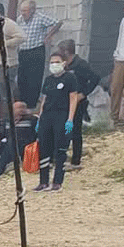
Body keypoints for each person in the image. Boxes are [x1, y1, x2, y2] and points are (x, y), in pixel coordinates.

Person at [33, 50, 81, 192]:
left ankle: (57, 182)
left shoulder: (70, 78)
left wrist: (70, 119)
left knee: (60, 149)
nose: (54, 65)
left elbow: (73, 99)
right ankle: (43, 181)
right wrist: (39, 118)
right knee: (44, 148)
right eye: (52, 62)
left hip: (61, 115)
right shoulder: (48, 80)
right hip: (47, 115)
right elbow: (44, 99)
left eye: (57, 62)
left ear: (64, 63)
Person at [57, 39, 100, 170]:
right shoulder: (64, 65)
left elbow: (95, 78)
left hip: (78, 102)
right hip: (64, 102)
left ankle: (76, 161)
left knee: (76, 131)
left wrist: (83, 94)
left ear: (66, 51)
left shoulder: (81, 64)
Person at [17, 0, 62, 107]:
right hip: (23, 51)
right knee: (22, 79)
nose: (23, 13)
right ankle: (22, 104)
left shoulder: (40, 18)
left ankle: (31, 104)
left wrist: (48, 36)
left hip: (36, 51)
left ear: (32, 10)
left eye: (25, 11)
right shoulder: (20, 20)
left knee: (34, 79)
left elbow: (58, 22)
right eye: (22, 10)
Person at [0, 101, 37, 179]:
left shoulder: (31, 119)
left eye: (22, 108)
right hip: (9, 146)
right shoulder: (7, 121)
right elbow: (0, 131)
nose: (20, 110)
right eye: (18, 108)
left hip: (24, 146)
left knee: (11, 143)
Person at [0, 3, 24, 124]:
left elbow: (22, 37)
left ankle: (9, 119)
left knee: (5, 93)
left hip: (6, 64)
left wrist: (5, 44)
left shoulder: (9, 24)